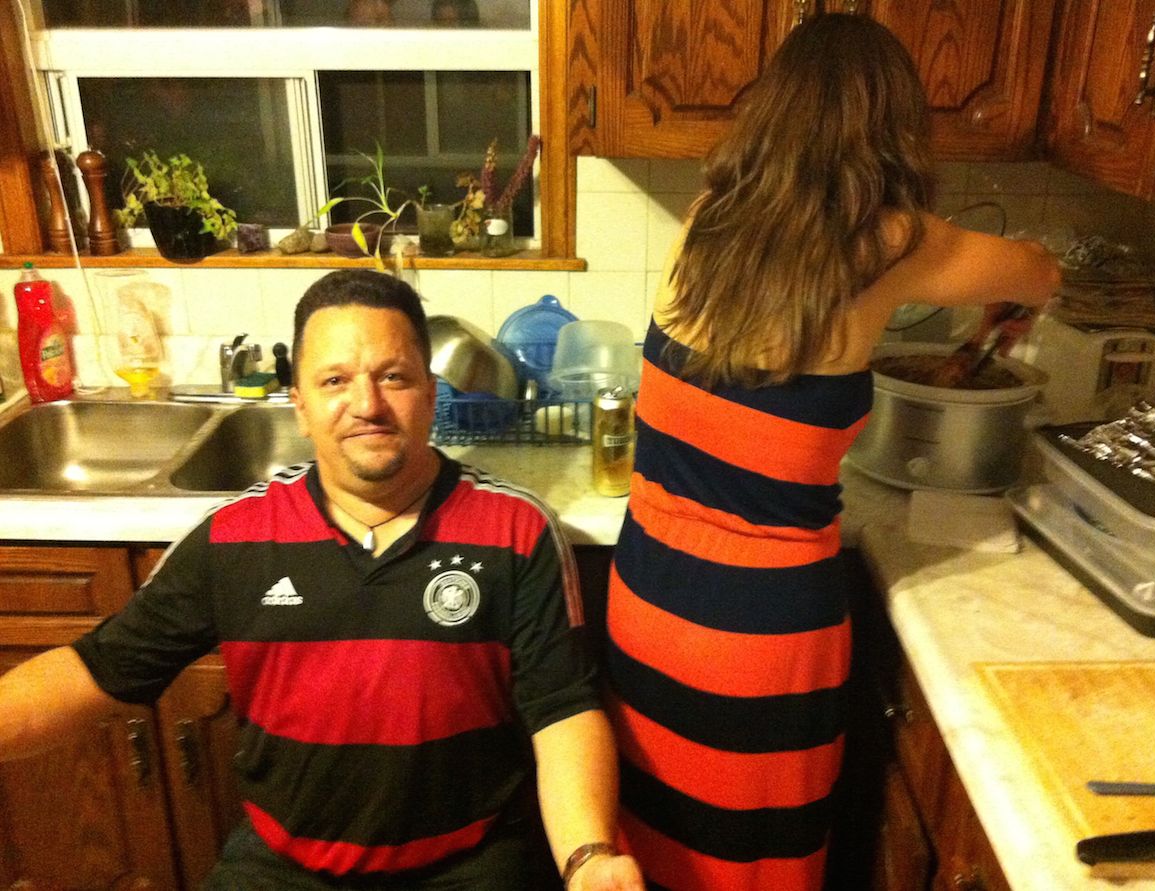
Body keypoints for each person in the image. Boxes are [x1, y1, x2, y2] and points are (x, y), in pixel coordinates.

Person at [603, 14, 1060, 891]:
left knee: (664, 853)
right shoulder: (891, 242)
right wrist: (1007, 299)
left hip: (649, 601)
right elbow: (1038, 271)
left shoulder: (707, 220)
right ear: (893, 127)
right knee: (754, 868)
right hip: (762, 634)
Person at [0, 270, 644, 891]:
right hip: (280, 865)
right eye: (336, 380)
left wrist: (588, 857)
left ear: (430, 393)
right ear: (300, 406)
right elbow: (100, 669)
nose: (367, 405)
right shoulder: (235, 537)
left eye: (393, 377)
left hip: (470, 860)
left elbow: (563, 710)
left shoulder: (516, 530)